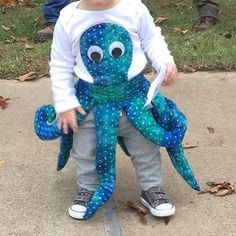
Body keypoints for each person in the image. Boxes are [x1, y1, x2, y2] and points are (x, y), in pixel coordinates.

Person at [49, 0, 178, 220]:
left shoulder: (133, 8)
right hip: (89, 102)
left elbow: (151, 38)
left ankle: (152, 188)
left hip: (134, 100)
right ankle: (87, 188)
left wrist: (164, 61)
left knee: (146, 147)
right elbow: (60, 62)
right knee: (84, 150)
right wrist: (64, 101)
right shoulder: (69, 18)